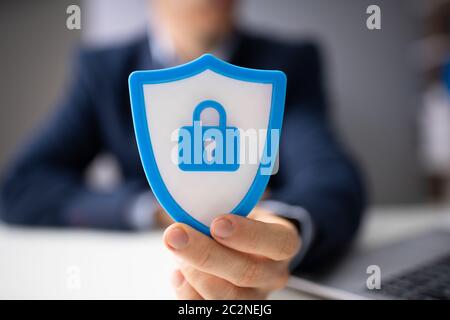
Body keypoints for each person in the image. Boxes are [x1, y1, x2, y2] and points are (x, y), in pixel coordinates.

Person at [0, 0, 365, 299]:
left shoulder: (288, 62)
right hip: (134, 274)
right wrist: (152, 208)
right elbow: (22, 188)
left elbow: (331, 177)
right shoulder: (102, 70)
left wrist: (284, 230)